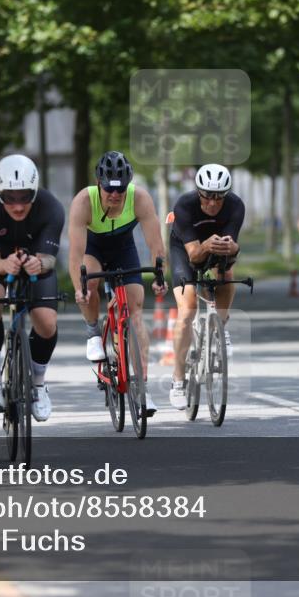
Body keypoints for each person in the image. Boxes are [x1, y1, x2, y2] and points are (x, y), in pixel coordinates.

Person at [67, 151, 167, 413]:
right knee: (89, 283)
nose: (114, 195)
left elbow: (155, 243)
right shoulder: (83, 201)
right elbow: (75, 254)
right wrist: (79, 288)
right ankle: (92, 330)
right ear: (98, 183)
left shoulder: (140, 198)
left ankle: (141, 387)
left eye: (120, 190)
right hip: (93, 249)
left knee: (135, 312)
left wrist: (159, 276)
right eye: (109, 189)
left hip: (124, 250)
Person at [0, 154, 64, 422]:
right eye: (10, 198)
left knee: (46, 322)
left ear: (35, 192)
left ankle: (39, 384)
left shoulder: (51, 207)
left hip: (35, 259)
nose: (19, 206)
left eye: (25, 197)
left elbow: (49, 259)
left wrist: (37, 263)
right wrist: (5, 264)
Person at [167, 164, 245, 410]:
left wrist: (234, 248)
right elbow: (194, 256)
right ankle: (178, 380)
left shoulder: (236, 206)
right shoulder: (184, 206)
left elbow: (232, 247)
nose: (213, 203)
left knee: (227, 273)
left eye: (219, 197)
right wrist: (207, 245)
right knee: (188, 309)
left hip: (216, 246)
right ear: (198, 192)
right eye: (208, 197)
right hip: (186, 249)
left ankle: (220, 327)